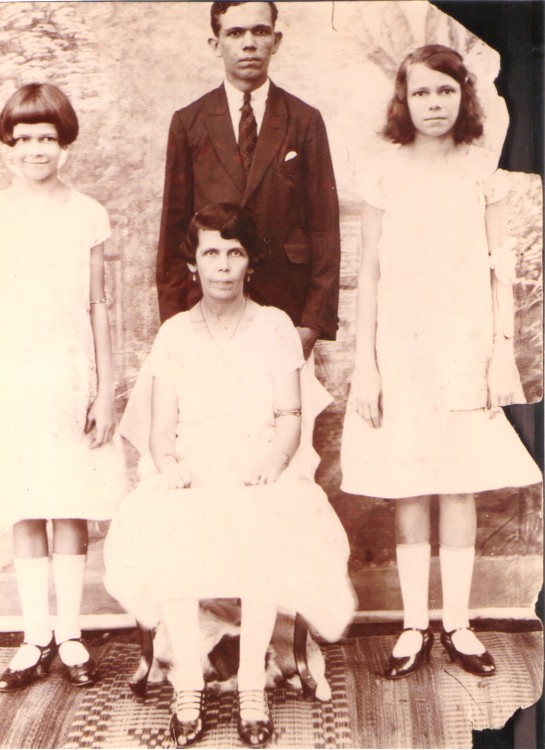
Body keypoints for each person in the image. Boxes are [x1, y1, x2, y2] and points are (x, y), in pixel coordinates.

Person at [104, 203, 355, 747]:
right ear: (193, 263)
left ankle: (250, 687)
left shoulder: (274, 325)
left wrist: (271, 464)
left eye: (234, 253)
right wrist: (169, 466)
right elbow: (160, 426)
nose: (222, 266)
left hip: (259, 462)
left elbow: (290, 416)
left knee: (262, 526)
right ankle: (188, 685)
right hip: (193, 463)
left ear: (250, 262)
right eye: (210, 253)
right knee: (170, 524)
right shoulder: (175, 333)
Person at [340, 45, 541, 680]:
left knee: (457, 480)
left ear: (463, 97)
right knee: (410, 481)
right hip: (400, 346)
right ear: (405, 99)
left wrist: (498, 356)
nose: (434, 104)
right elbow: (369, 271)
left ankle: (457, 622)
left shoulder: (483, 170)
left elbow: (499, 270)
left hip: (465, 343)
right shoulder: (383, 170)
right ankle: (413, 626)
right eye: (422, 93)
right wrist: (365, 365)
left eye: (445, 92)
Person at [0, 83, 127, 691]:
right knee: (24, 502)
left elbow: (98, 304)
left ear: (66, 146)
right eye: (24, 138)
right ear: (8, 145)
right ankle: (33, 638)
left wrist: (106, 388)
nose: (36, 150)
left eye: (48, 139)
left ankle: (71, 635)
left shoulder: (87, 213)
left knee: (68, 500)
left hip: (69, 373)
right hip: (10, 376)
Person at [156, 1, 340, 361]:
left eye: (260, 31)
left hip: (286, 302)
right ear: (216, 44)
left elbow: (324, 229)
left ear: (277, 40)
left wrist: (312, 322)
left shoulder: (305, 121)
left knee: (284, 411)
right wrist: (175, 321)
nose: (249, 43)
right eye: (235, 33)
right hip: (208, 306)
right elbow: (173, 229)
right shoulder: (188, 122)